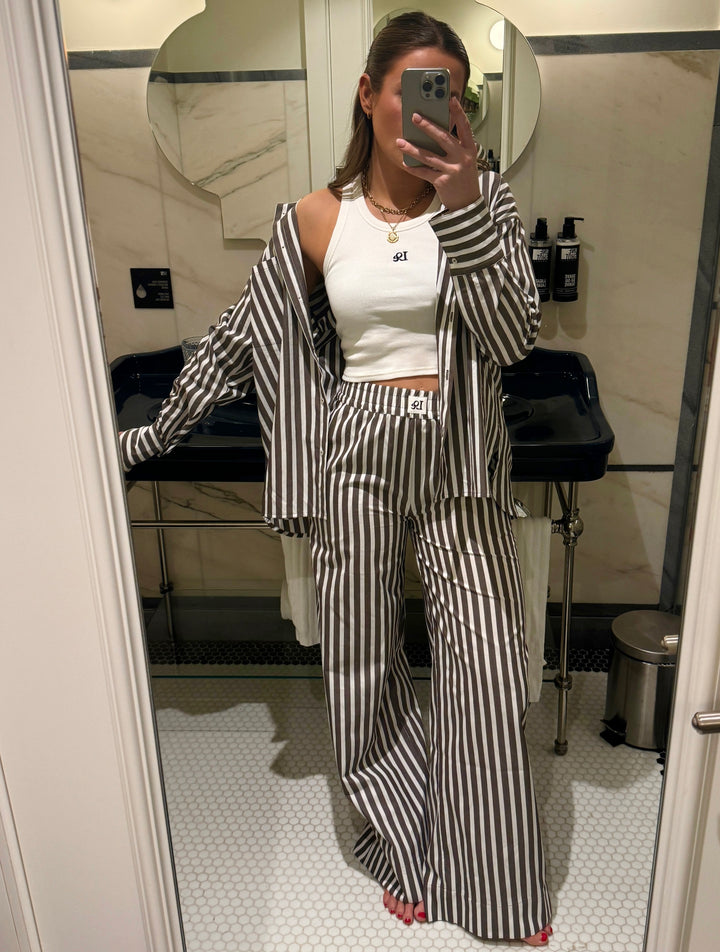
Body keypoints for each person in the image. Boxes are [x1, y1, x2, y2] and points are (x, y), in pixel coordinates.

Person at [120, 11, 552, 947]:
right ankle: (402, 841)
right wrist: (149, 437)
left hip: (459, 450)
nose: (434, 111)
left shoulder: (487, 200)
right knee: (361, 662)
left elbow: (514, 336)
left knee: (484, 661)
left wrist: (463, 200)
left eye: (451, 95)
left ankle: (490, 877)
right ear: (368, 93)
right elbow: (238, 341)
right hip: (353, 453)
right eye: (415, 90)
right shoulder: (314, 219)